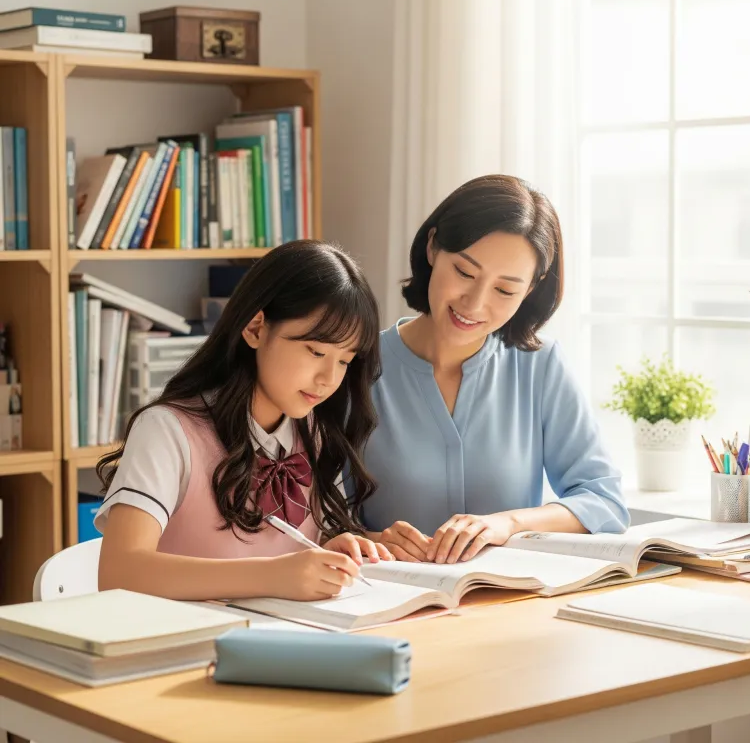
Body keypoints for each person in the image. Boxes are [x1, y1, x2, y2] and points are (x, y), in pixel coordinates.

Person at [96, 240, 392, 603]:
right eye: (316, 352)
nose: (329, 378)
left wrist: (335, 550)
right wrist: (272, 575)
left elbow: (298, 555)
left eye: (345, 360)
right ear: (255, 328)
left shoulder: (313, 434)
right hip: (186, 636)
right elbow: (119, 572)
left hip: (286, 635)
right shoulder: (168, 431)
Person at [359, 174, 630, 564]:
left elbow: (604, 501)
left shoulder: (541, 365)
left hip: (512, 595)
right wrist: (371, 540)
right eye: (465, 273)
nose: (474, 304)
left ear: (530, 289)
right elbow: (315, 518)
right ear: (433, 247)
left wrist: (509, 523)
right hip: (387, 592)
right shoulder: (355, 368)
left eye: (504, 290)